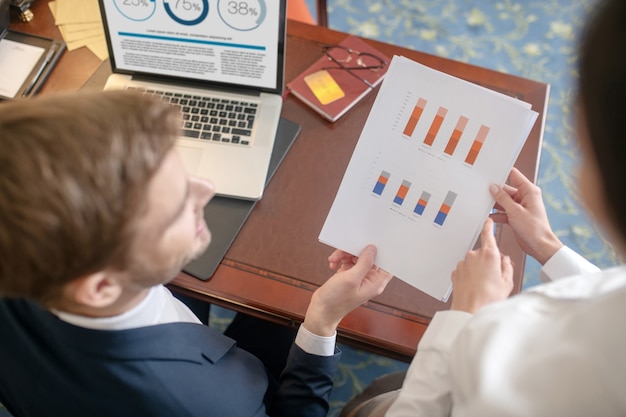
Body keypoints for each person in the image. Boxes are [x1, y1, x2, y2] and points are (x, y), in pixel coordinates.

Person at [0, 90, 393, 417]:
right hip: (242, 383)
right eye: (175, 209)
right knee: (288, 307)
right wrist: (322, 323)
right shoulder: (203, 404)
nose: (207, 189)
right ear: (101, 286)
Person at [340, 0, 626, 415]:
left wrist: (467, 315)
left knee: (375, 401)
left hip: (452, 382)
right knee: (387, 384)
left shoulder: (544, 384)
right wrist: (549, 247)